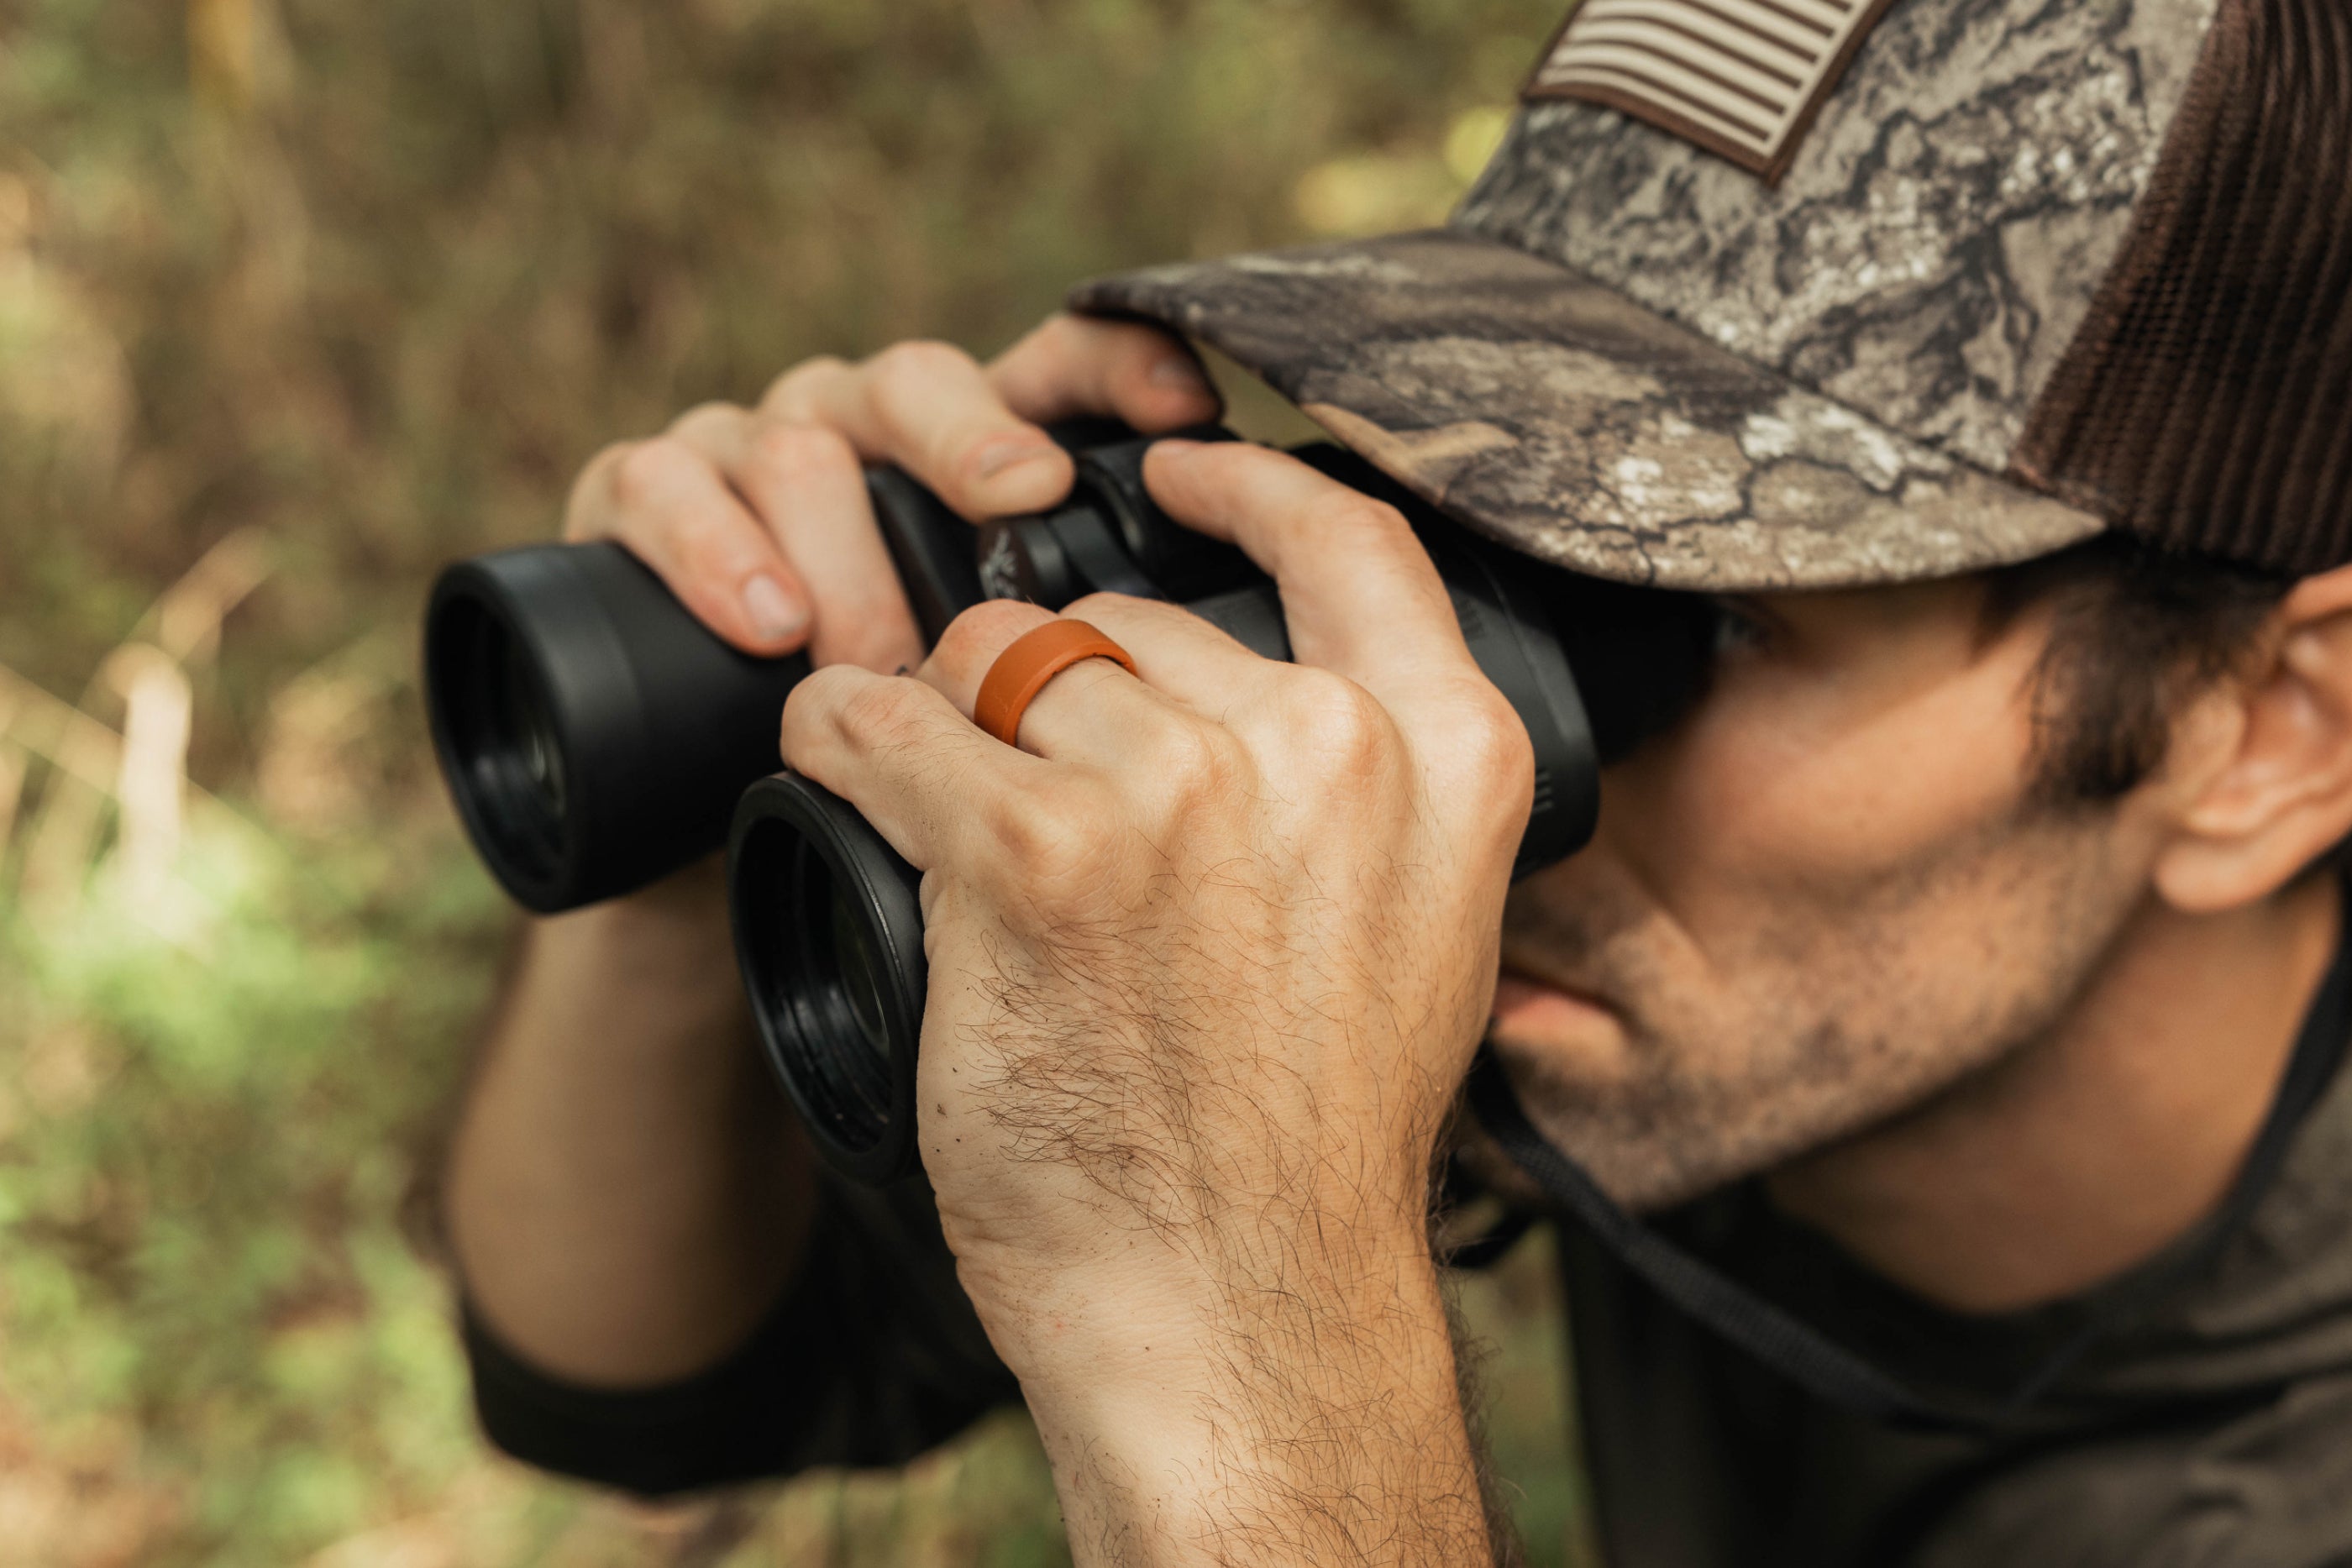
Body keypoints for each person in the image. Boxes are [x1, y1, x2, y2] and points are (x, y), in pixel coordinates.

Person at [440, 0, 2352, 1561]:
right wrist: (727, 794)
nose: (1452, 725)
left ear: (2270, 735)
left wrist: (1266, 1350)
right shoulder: (1728, 1006)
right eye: (1449, 532)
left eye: (1706, 611)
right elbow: (639, 1381)